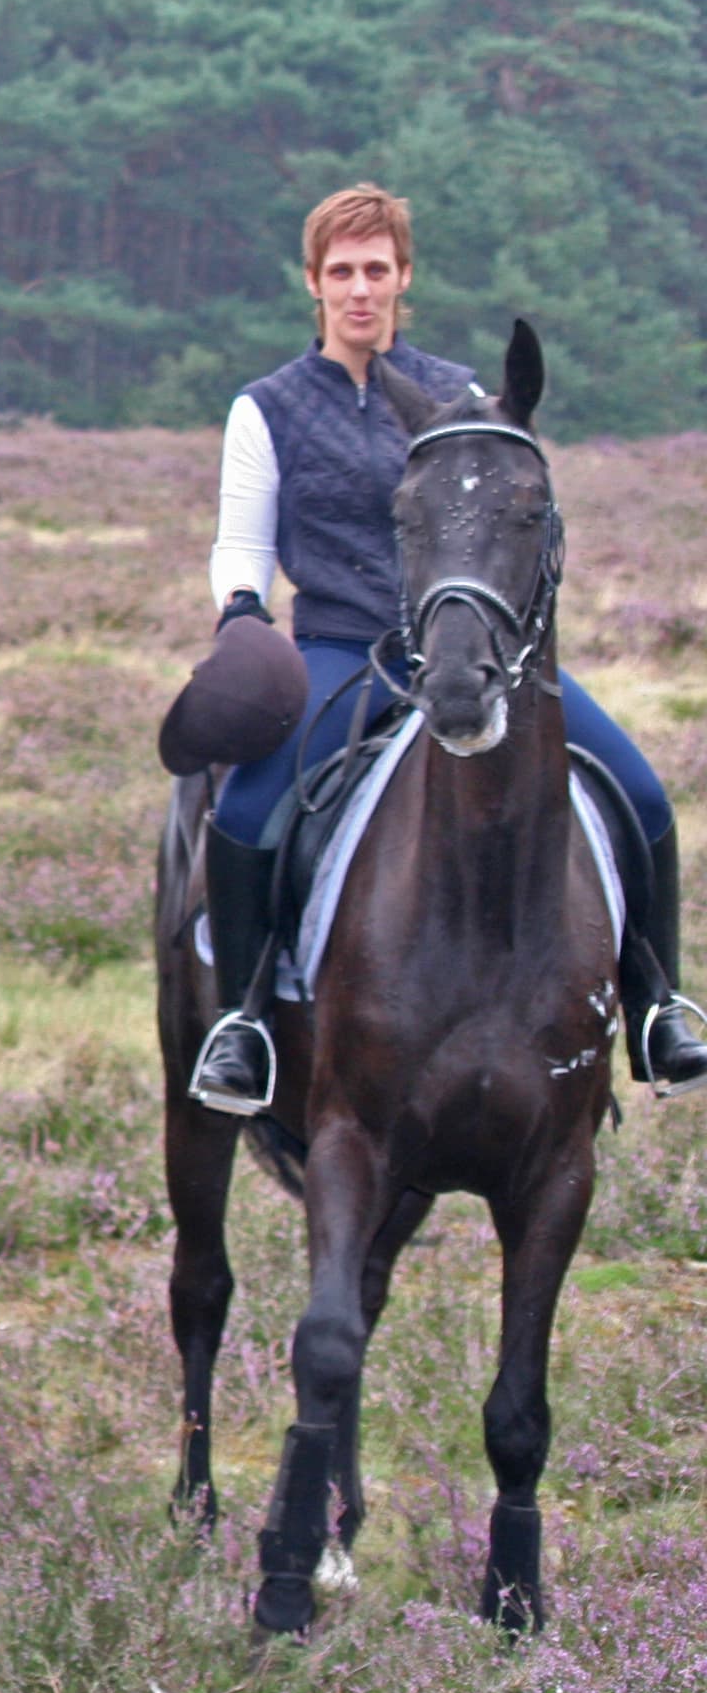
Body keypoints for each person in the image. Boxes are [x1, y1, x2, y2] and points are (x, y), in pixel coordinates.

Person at [183, 185, 705, 1111]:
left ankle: (656, 1002)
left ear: (403, 277)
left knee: (641, 791)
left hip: (471, 647)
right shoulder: (264, 409)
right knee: (246, 810)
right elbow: (243, 540)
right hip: (342, 649)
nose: (359, 290)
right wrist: (241, 612)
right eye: (340, 272)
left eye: (375, 271)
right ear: (313, 282)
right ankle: (246, 1022)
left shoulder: (463, 398)